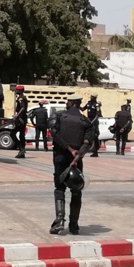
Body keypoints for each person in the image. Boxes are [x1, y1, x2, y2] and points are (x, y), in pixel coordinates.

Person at [49, 96, 96, 235]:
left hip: (60, 156)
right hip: (76, 159)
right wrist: (77, 156)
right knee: (76, 190)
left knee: (59, 188)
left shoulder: (59, 116)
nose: (66, 103)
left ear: (72, 103)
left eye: (68, 101)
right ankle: (74, 225)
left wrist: (68, 149)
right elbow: (88, 142)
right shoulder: (85, 121)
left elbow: (54, 134)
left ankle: (59, 220)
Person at [12, 86, 29, 159]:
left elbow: (22, 107)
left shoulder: (21, 98)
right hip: (23, 118)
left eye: (17, 90)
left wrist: (17, 116)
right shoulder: (23, 97)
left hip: (21, 119)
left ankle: (21, 149)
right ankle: (22, 152)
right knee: (21, 136)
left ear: (19, 91)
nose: (16, 91)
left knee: (12, 134)